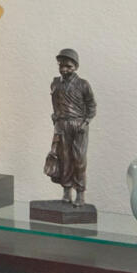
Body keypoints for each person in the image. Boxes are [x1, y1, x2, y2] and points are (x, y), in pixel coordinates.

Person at [43, 48, 96, 206]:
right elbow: (55, 103)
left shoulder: (83, 84)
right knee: (64, 159)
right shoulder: (56, 83)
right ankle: (67, 192)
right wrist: (55, 117)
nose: (64, 69)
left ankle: (80, 194)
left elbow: (91, 106)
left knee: (79, 159)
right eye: (61, 65)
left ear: (76, 66)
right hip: (62, 124)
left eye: (69, 66)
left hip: (78, 125)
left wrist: (85, 122)